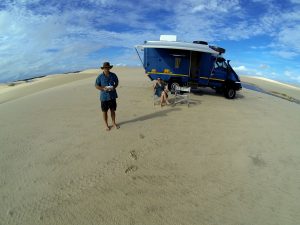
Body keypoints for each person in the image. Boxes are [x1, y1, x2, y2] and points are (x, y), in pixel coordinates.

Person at [95, 62, 120, 131]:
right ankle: (106, 124)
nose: (107, 69)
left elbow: (117, 82)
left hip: (112, 96)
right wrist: (103, 88)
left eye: (108, 68)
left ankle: (114, 123)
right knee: (104, 111)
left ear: (109, 68)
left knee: (113, 110)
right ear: (103, 68)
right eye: (105, 68)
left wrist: (114, 87)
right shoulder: (100, 77)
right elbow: (96, 85)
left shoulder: (113, 75)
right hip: (104, 97)